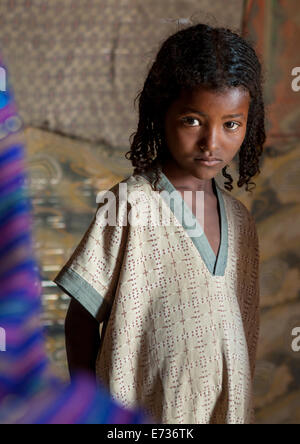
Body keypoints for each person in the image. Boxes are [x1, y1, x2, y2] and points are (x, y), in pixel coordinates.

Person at [54, 23, 265, 424]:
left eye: (231, 124)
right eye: (192, 120)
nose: (211, 143)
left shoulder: (241, 222)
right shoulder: (130, 204)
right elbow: (80, 319)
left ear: (248, 124)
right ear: (161, 112)